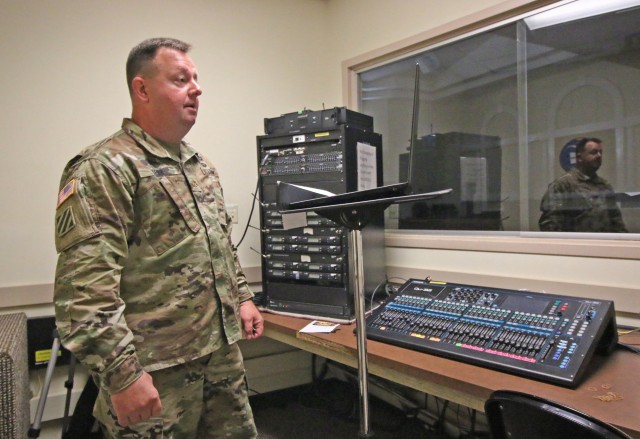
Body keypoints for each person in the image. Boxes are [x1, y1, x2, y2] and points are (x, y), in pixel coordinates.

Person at [53, 37, 264, 438]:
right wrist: (123, 376)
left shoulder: (200, 166)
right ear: (142, 89)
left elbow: (217, 244)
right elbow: (84, 292)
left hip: (220, 357)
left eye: (197, 79)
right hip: (154, 371)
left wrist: (242, 296)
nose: (196, 88)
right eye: (181, 78)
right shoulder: (105, 167)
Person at [539, 137, 627, 233]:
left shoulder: (605, 186)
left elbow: (616, 221)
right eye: (593, 152)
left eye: (600, 152)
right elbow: (550, 224)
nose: (599, 156)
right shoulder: (563, 185)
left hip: (603, 245)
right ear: (579, 157)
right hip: (577, 245)